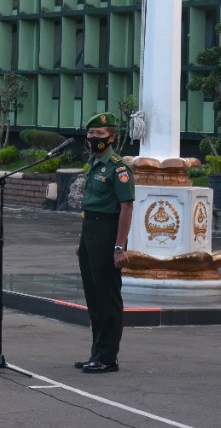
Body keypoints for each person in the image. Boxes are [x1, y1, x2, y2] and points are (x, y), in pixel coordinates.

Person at [74, 111, 134, 374]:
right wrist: (83, 241)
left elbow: (126, 208)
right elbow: (90, 206)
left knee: (107, 297)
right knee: (93, 297)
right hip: (90, 232)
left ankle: (108, 357)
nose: (94, 138)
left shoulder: (118, 167)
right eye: (91, 134)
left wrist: (119, 247)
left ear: (112, 137)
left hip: (107, 231)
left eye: (99, 134)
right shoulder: (95, 163)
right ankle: (97, 351)